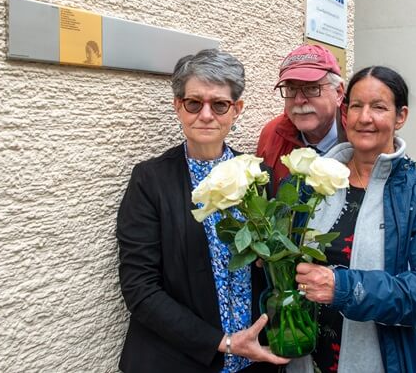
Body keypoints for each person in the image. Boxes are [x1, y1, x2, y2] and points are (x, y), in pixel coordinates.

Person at [116, 49, 289, 373]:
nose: (206, 115)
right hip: (177, 360)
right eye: (194, 103)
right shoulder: (150, 180)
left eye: (219, 104)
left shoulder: (258, 176)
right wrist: (221, 342)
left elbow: (275, 267)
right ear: (178, 106)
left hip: (255, 361)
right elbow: (140, 288)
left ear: (236, 109)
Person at [289, 66, 416, 372]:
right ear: (345, 114)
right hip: (309, 357)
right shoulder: (312, 181)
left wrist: (344, 287)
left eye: (379, 107)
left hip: (384, 357)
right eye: (356, 106)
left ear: (400, 116)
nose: (364, 118)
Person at [257, 44, 347, 185]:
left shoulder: (360, 136)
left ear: (339, 93)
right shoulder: (272, 134)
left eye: (311, 88)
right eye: (291, 88)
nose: (299, 100)